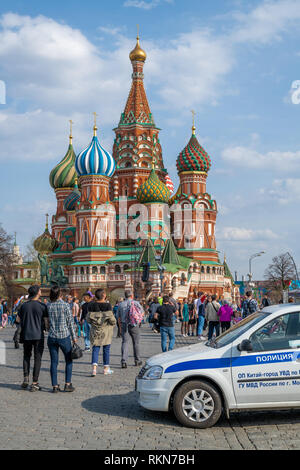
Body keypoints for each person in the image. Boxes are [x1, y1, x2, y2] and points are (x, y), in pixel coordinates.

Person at [16, 285, 48, 392]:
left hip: (26, 334)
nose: (41, 291)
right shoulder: (42, 306)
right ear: (37, 293)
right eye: (40, 290)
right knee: (37, 358)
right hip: (38, 335)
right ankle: (34, 383)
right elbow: (46, 322)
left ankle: (26, 377)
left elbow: (17, 319)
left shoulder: (23, 306)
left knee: (26, 356)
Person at [47, 286, 77, 393]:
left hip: (52, 337)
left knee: (54, 362)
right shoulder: (65, 305)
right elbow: (70, 323)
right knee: (68, 360)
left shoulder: (48, 305)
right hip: (64, 337)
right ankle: (67, 384)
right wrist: (74, 337)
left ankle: (55, 386)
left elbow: (47, 321)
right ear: (60, 294)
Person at [87, 289, 116, 377]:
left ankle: (94, 370)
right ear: (103, 295)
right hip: (106, 331)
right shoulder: (108, 306)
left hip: (95, 331)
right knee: (106, 349)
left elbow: (88, 319)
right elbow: (113, 320)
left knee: (95, 349)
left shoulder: (91, 305)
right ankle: (105, 369)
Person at [116, 291, 144, 368]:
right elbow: (142, 313)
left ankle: (124, 361)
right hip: (134, 324)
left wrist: (120, 326)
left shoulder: (121, 304)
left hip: (124, 324)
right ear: (132, 295)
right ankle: (137, 360)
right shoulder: (136, 303)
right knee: (136, 343)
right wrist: (138, 321)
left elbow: (118, 317)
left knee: (125, 342)